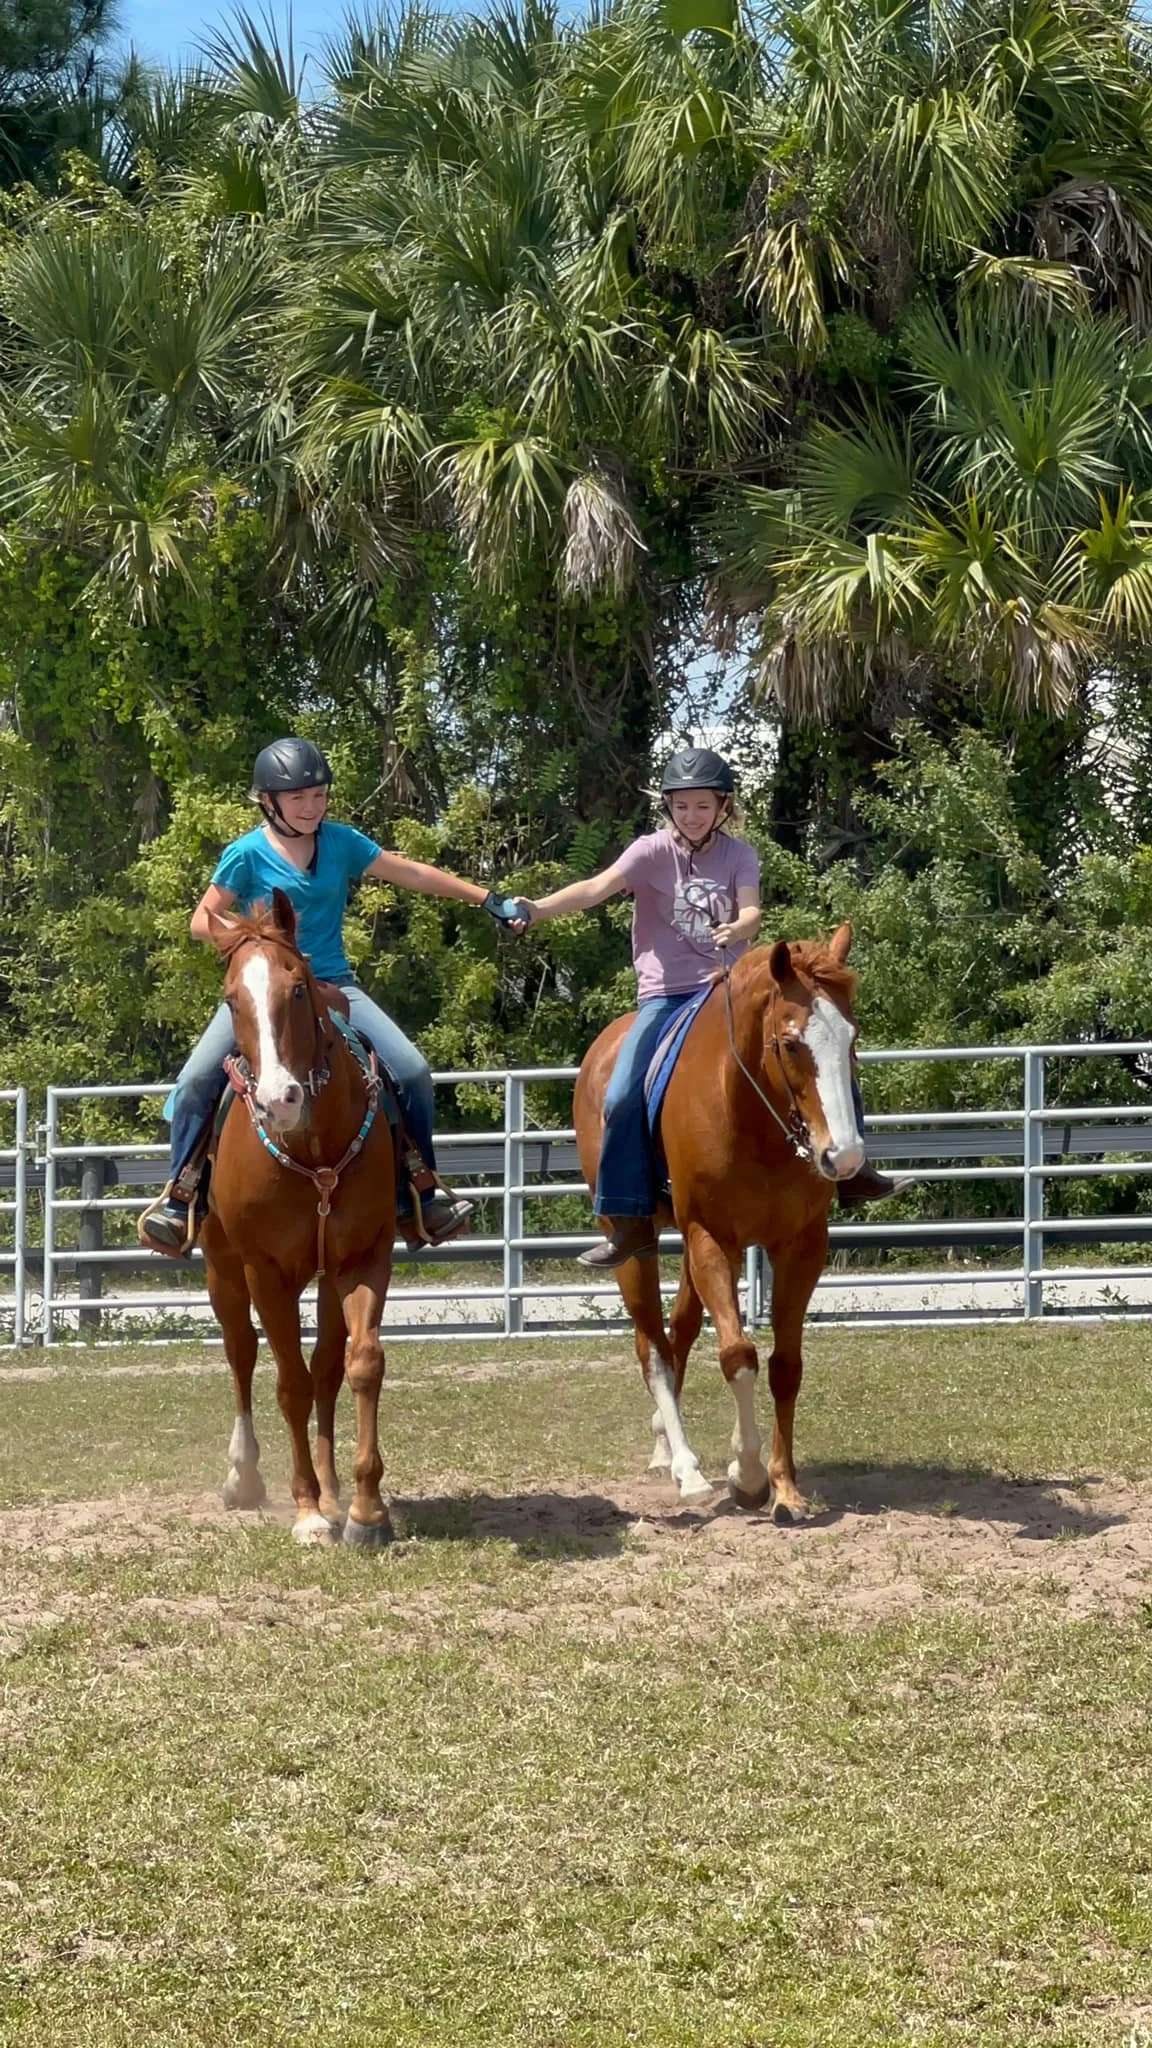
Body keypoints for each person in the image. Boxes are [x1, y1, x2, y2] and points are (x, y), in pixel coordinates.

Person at [514, 745, 898, 1270]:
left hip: (726, 991)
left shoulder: (740, 855)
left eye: (701, 805)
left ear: (723, 807)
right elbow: (596, 888)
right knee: (623, 1094)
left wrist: (741, 928)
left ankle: (856, 1172)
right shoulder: (649, 853)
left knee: (826, 1055)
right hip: (664, 998)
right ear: (667, 808)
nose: (690, 815)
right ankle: (627, 1217)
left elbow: (752, 910)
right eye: (681, 805)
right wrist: (538, 909)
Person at [141, 737, 524, 1254]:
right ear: (269, 802)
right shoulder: (245, 854)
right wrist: (254, 940)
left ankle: (422, 1189)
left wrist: (486, 898)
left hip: (335, 986)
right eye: (299, 798)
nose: (312, 806)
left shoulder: (342, 843)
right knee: (192, 1082)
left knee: (411, 1071)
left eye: (319, 795)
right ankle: (181, 1196)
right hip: (267, 991)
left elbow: (409, 871)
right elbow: (199, 921)